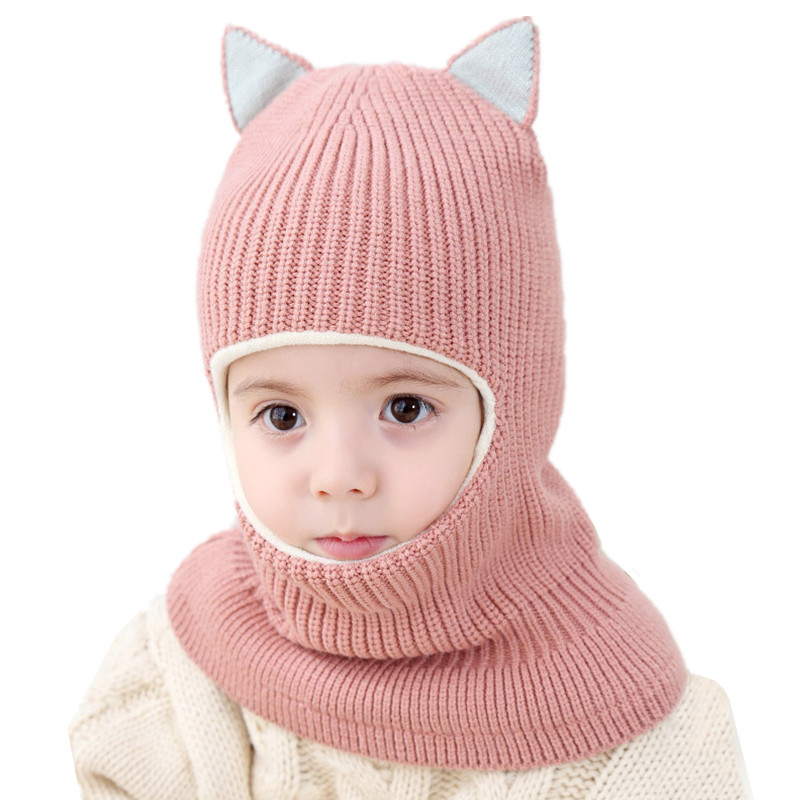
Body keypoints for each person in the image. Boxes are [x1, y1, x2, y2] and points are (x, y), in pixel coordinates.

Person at [69, 17, 752, 798]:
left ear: (515, 408)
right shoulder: (182, 675)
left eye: (404, 408)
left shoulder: (634, 733)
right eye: (283, 417)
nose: (339, 475)